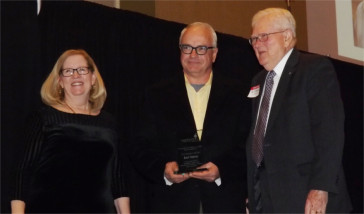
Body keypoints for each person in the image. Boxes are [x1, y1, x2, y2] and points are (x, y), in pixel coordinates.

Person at [130, 22, 250, 213]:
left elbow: (248, 146)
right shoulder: (155, 95)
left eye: (201, 48)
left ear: (214, 53)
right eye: (187, 48)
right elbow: (139, 146)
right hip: (171, 204)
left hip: (224, 203)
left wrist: (222, 170)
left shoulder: (239, 95)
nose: (193, 55)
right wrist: (163, 169)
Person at [245, 8, 352, 213]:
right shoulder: (258, 81)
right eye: (253, 39)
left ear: (287, 37)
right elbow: (259, 140)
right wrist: (253, 192)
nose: (257, 44)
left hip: (304, 196)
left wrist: (320, 188)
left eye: (263, 37)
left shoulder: (314, 69)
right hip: (267, 199)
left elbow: (329, 133)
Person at [11, 49, 130, 213]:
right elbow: (23, 173)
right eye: (68, 71)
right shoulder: (43, 118)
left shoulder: (109, 122)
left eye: (82, 70)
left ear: (93, 78)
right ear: (59, 81)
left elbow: (117, 178)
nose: (76, 75)